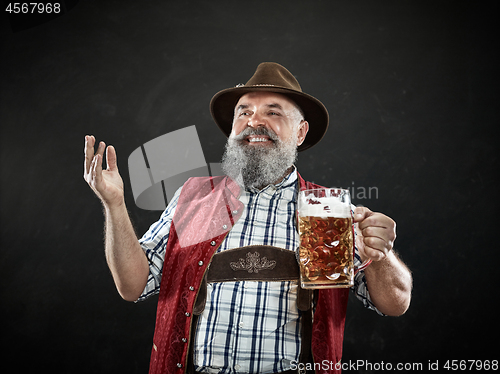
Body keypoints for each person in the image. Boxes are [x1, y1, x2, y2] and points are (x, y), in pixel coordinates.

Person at [83, 62, 412, 374]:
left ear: (300, 132)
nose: (255, 121)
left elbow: (394, 303)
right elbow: (133, 285)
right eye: (244, 112)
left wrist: (380, 257)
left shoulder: (325, 210)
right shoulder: (195, 198)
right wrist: (114, 205)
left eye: (273, 111)